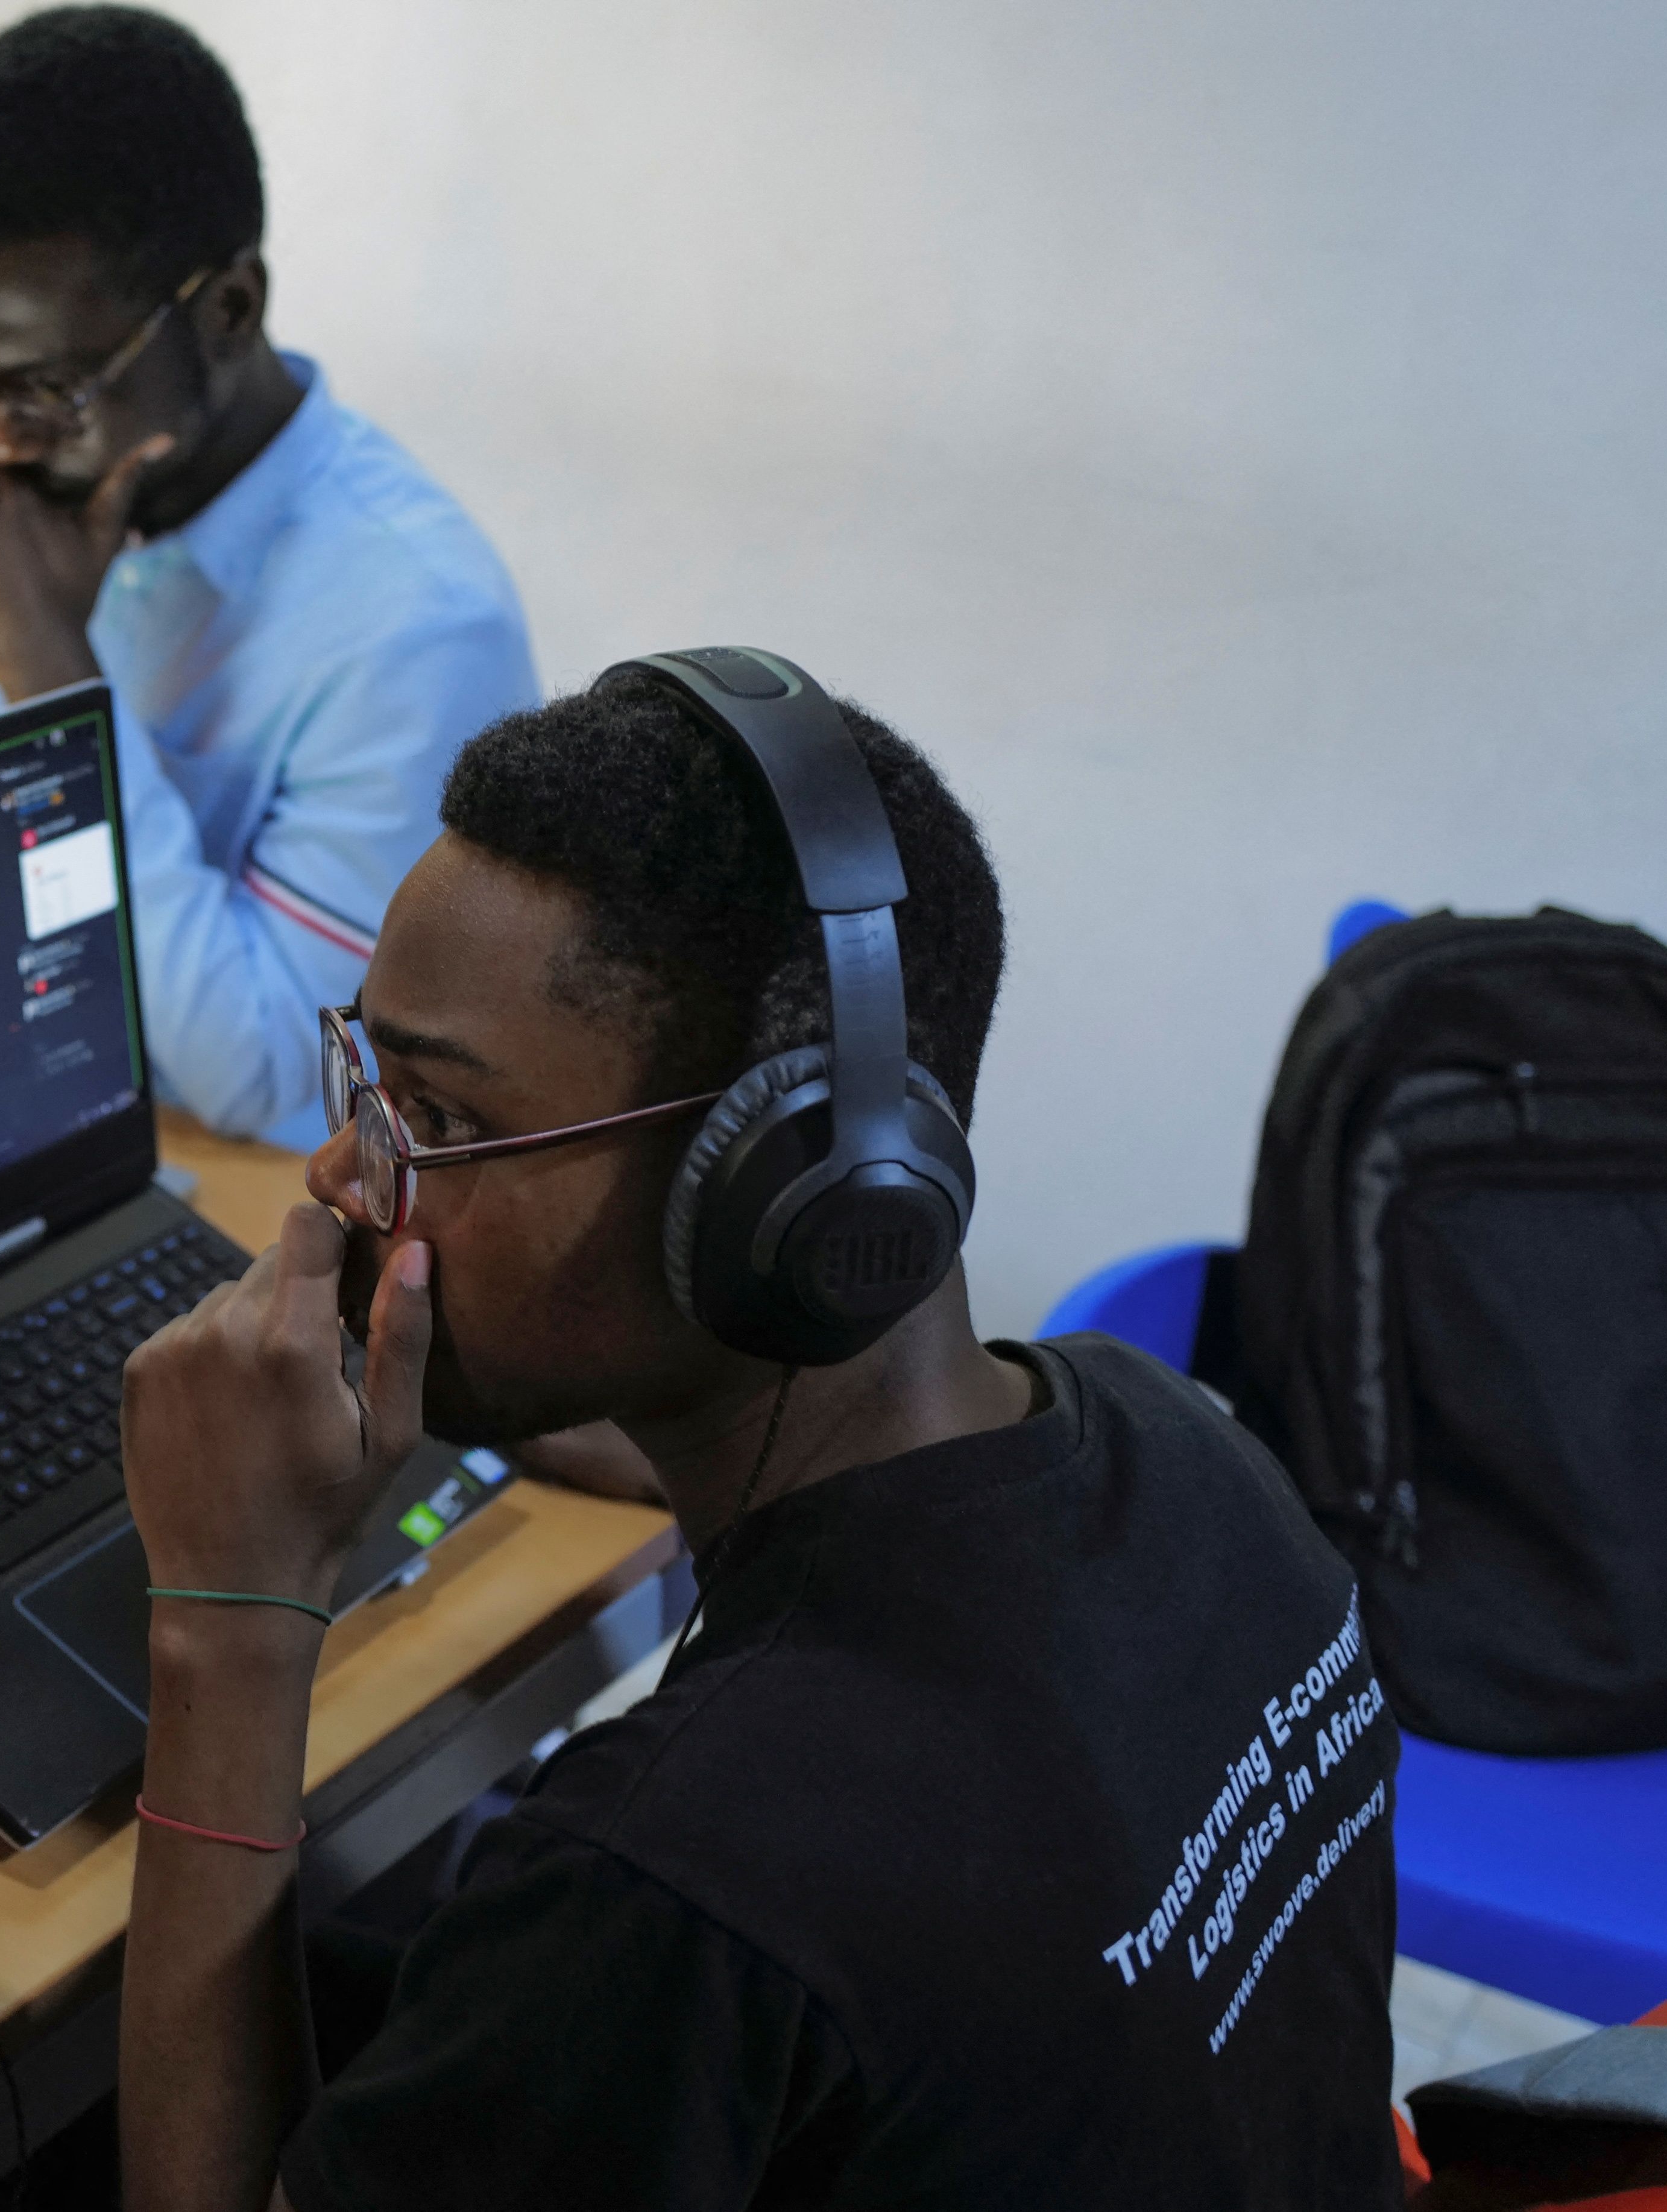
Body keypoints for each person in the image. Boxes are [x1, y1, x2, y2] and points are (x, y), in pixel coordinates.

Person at [113, 668, 1406, 2209]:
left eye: (438, 1124)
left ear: (782, 1199)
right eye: (364, 1078)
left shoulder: (675, 1880)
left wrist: (228, 1621)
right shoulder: (1173, 1442)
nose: (345, 1173)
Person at [0, 8, 535, 1152]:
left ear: (228, 309)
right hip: (22, 1131)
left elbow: (272, 1076)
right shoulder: (57, 510)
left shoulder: (417, 623)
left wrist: (53, 680)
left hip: (259, 1219)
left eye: (49, 385)